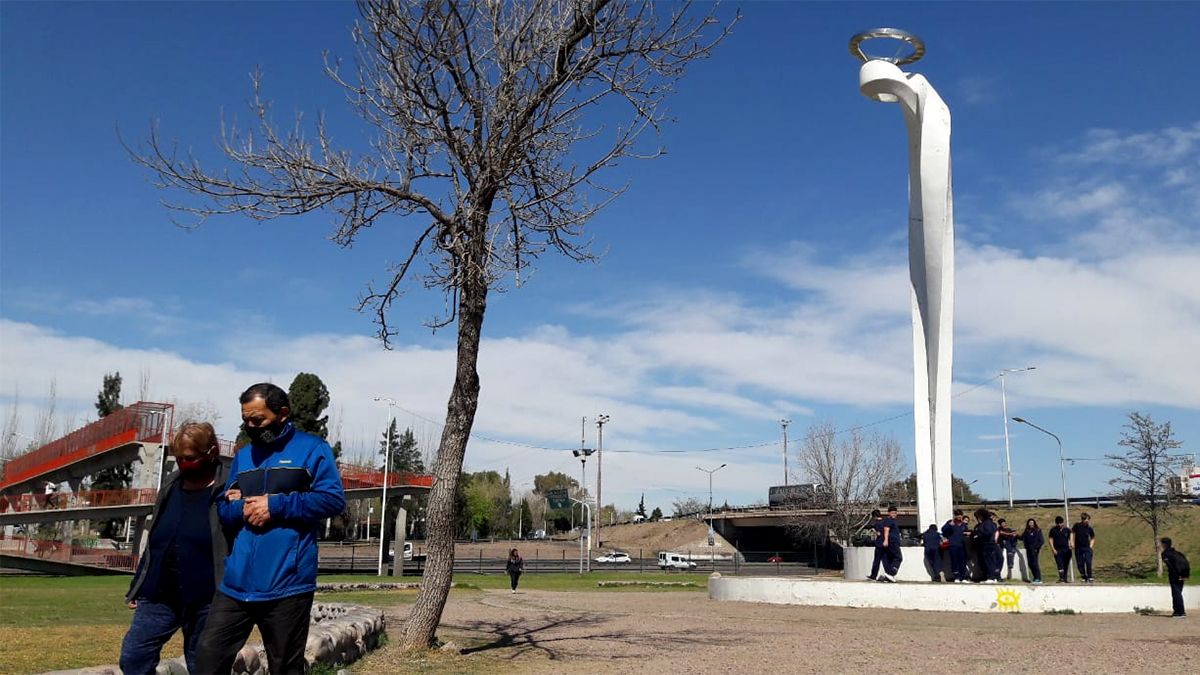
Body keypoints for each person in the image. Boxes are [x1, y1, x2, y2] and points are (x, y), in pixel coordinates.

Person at [195, 383, 346, 675]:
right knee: (208, 656)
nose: (250, 426)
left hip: (287, 583)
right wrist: (241, 508)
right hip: (237, 584)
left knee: (284, 668)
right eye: (245, 420)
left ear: (283, 413)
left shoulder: (312, 449)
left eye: (258, 420)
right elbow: (225, 509)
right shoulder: (243, 456)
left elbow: (332, 500)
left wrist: (275, 506)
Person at [120, 422, 232, 675]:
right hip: (160, 594)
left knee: (203, 664)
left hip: (208, 597)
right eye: (178, 458)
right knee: (134, 657)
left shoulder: (230, 487)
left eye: (190, 458)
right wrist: (139, 583)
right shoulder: (171, 485)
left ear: (211, 452)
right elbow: (157, 539)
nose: (183, 464)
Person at [1160, 537, 1189, 618]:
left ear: (1164, 544)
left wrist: (1177, 575)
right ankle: (1178, 611)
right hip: (1183, 574)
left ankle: (1180, 612)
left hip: (1175, 576)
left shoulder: (1165, 554)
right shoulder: (1178, 553)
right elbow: (1185, 563)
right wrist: (1184, 575)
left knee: (1176, 593)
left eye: (1161, 543)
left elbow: (1171, 566)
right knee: (1178, 593)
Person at [974, 508, 1001, 583]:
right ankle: (992, 577)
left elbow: (988, 532)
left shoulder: (986, 523)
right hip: (988, 543)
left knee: (989, 560)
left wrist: (979, 535)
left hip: (988, 543)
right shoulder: (989, 523)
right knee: (989, 560)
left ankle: (991, 577)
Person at [941, 509, 969, 583]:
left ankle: (963, 577)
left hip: (962, 545)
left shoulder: (963, 524)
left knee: (962, 562)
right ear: (955, 516)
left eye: (960, 515)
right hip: (953, 545)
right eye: (957, 515)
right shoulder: (950, 523)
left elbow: (965, 531)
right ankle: (956, 577)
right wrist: (949, 525)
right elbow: (943, 530)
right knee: (955, 561)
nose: (959, 517)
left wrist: (967, 534)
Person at [1071, 512, 1096, 583]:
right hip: (1078, 547)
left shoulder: (1089, 528)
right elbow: (1072, 533)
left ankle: (1090, 576)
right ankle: (1083, 576)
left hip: (1087, 548)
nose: (1087, 521)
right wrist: (1072, 542)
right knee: (1080, 563)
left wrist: (1091, 546)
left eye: (1088, 519)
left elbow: (1093, 537)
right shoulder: (1077, 525)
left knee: (1088, 562)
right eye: (1086, 519)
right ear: (1083, 519)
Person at [1048, 516, 1072, 583]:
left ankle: (1065, 578)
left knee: (1066, 564)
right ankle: (1061, 578)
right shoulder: (1053, 530)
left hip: (1067, 550)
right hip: (1058, 550)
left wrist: (1070, 544)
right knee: (1059, 564)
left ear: (1063, 522)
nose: (1059, 525)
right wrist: (1053, 549)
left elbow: (1070, 538)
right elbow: (1050, 539)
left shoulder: (1067, 530)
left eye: (1060, 523)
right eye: (1058, 523)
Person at [882, 505, 903, 580]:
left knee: (891, 558)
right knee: (899, 557)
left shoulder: (893, 521)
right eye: (892, 513)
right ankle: (891, 573)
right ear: (889, 513)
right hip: (892, 542)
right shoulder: (888, 521)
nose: (894, 514)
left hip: (895, 542)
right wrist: (886, 540)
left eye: (895, 513)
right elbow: (886, 530)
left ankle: (888, 576)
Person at [1020, 518, 1044, 584]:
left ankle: (1038, 578)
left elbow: (1041, 541)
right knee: (1030, 564)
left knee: (1035, 563)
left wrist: (1037, 547)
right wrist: (1015, 535)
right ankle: (1035, 577)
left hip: (1035, 549)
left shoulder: (1038, 530)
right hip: (1028, 549)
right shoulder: (1026, 531)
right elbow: (1021, 537)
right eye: (1029, 522)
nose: (1031, 524)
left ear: (1034, 523)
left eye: (1032, 522)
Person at [868, 509, 886, 581]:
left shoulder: (877, 523)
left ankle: (873, 575)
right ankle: (889, 574)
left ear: (874, 516)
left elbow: (879, 534)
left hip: (879, 543)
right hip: (886, 543)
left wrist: (873, 530)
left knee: (876, 561)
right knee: (886, 560)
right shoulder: (885, 522)